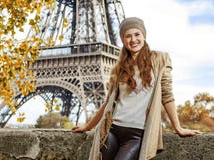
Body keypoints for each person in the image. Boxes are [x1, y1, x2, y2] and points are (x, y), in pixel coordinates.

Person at [72, 17, 201, 160]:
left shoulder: (160, 60)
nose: (133, 39)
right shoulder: (119, 68)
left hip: (136, 134)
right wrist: (88, 126)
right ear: (123, 40)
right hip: (112, 130)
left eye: (137, 34)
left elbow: (167, 95)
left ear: (144, 35)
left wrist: (178, 127)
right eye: (128, 36)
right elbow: (108, 103)